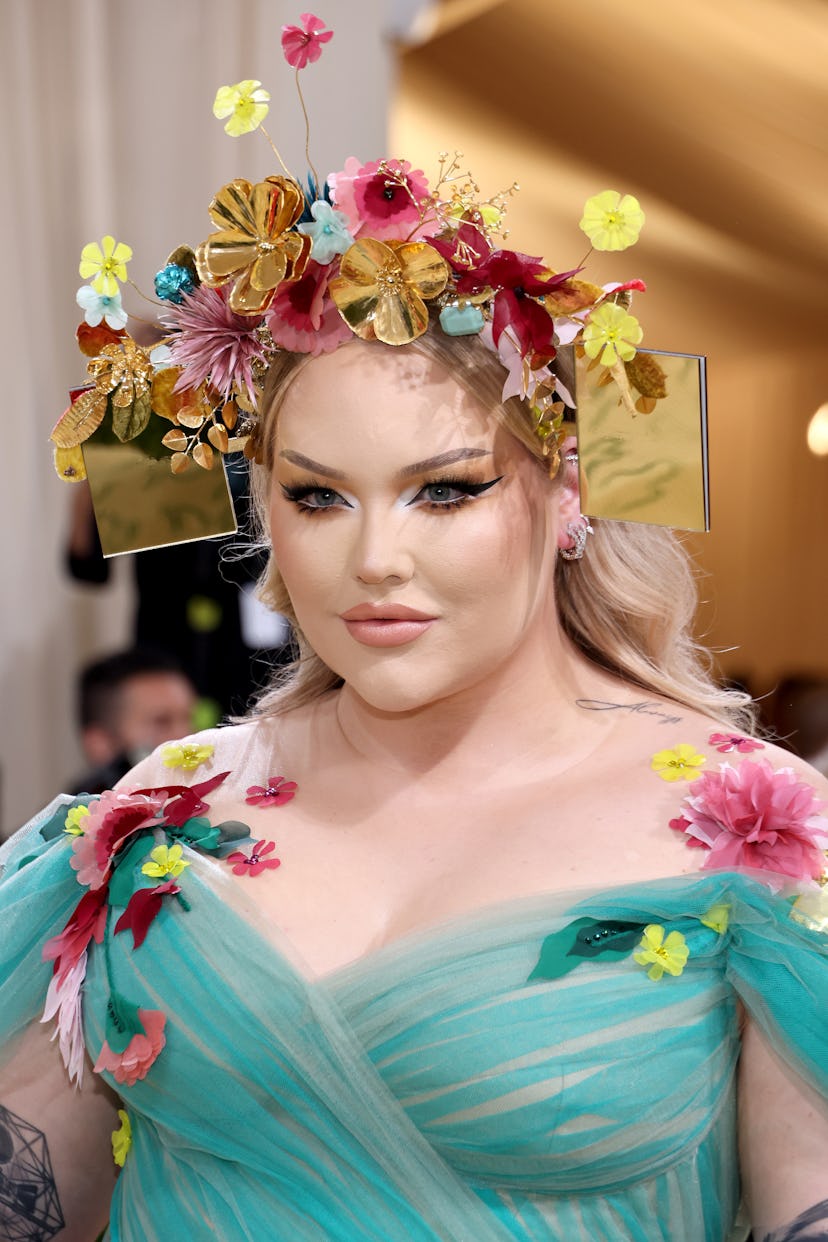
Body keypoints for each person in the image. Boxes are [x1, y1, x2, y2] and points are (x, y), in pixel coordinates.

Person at [2, 17, 827, 1241]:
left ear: (568, 497)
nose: (374, 559)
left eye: (447, 490)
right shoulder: (149, 816)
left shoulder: (758, 836)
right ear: (262, 508)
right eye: (317, 495)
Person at [67, 647, 198, 795]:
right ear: (99, 743)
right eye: (162, 722)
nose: (187, 735)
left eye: (189, 718)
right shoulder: (70, 816)